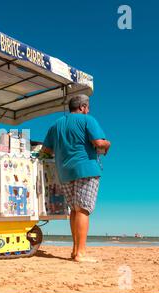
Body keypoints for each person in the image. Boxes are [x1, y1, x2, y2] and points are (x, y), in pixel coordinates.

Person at [41, 94, 111, 263]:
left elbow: (46, 150)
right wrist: (108, 144)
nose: (88, 110)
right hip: (86, 169)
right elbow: (99, 143)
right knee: (83, 209)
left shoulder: (56, 124)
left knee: (74, 209)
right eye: (87, 107)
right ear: (82, 107)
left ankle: (75, 251)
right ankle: (81, 253)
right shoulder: (87, 120)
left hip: (64, 172)